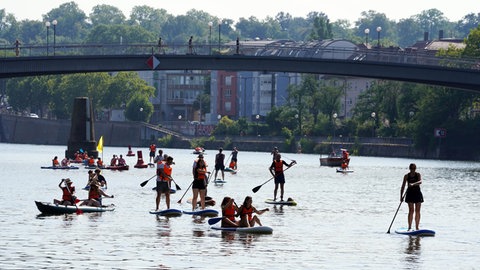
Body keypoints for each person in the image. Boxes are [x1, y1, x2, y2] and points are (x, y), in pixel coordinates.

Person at [401, 163, 424, 231]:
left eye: (414, 168)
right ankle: (409, 227)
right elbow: (403, 186)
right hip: (410, 194)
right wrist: (401, 196)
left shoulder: (418, 174)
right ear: (410, 169)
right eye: (412, 168)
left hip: (417, 193)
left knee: (418, 211)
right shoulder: (406, 176)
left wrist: (413, 184)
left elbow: (420, 182)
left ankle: (417, 227)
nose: (413, 170)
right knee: (411, 211)